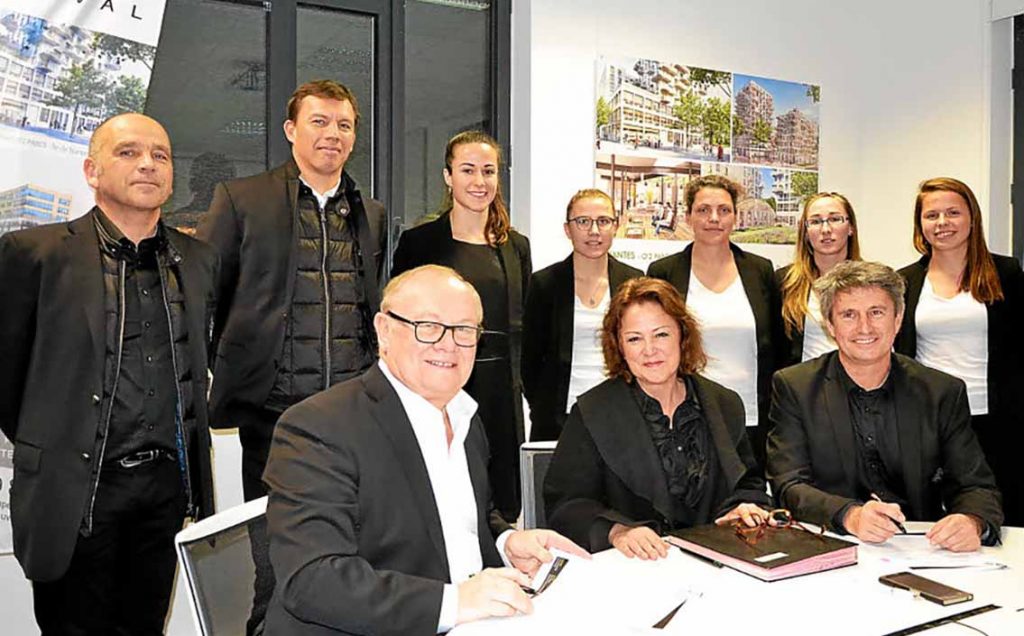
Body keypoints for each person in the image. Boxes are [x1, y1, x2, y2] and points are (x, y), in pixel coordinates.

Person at [262, 265, 587, 634]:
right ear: (384, 330)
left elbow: (460, 518)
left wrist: (506, 541)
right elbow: (312, 581)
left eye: (464, 330)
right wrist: (457, 602)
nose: (448, 344)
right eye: (428, 327)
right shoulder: (320, 427)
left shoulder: (465, 416)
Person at [0, 113, 218, 633]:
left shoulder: (198, 259)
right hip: (77, 491)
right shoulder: (34, 254)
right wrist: (52, 441)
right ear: (91, 170)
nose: (148, 164)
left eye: (160, 155)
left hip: (165, 491)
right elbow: (7, 380)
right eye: (128, 152)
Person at [196, 79, 386, 632]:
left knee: (357, 551)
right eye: (319, 122)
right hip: (274, 415)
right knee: (276, 563)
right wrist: (229, 362)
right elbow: (206, 293)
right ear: (290, 130)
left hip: (356, 416)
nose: (333, 134)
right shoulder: (241, 200)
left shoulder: (368, 212)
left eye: (344, 125)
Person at [767, 261, 1003, 551]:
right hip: (829, 544)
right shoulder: (795, 387)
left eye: (876, 312)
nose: (864, 327)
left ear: (898, 318)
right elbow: (788, 486)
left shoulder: (941, 392)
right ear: (830, 324)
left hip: (922, 549)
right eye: (848, 315)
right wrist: (849, 515)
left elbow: (976, 485)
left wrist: (972, 520)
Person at [544, 277, 772, 560]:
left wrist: (743, 507)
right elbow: (565, 505)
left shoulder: (725, 404)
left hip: (719, 565)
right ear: (619, 346)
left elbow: (748, 483)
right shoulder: (592, 411)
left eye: (661, 334)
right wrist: (617, 532)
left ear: (682, 334)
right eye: (634, 339)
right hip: (635, 571)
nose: (649, 350)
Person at [392, 130, 530, 522]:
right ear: (447, 176)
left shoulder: (516, 247)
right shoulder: (419, 243)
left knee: (500, 505)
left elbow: (524, 329)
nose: (479, 181)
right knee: (441, 504)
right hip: (438, 389)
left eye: (489, 171)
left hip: (500, 396)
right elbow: (400, 326)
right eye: (467, 170)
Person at [894, 177, 1024, 527]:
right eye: (931, 215)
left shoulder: (1006, 273)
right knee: (932, 519)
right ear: (920, 223)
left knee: (1000, 515)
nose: (942, 223)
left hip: (994, 417)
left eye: (953, 213)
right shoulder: (905, 280)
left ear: (972, 218)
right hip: (927, 419)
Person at [647, 174, 782, 470]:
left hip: (750, 415)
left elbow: (777, 344)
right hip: (685, 412)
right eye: (703, 210)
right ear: (688, 216)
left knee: (749, 504)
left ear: (735, 216)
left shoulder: (760, 271)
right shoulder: (664, 272)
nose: (714, 219)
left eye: (723, 210)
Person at [522, 189, 642, 441]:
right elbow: (529, 360)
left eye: (603, 221)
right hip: (560, 419)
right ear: (568, 229)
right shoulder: (545, 284)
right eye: (583, 222)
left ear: (615, 226)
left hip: (622, 415)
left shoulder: (634, 281)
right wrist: (542, 405)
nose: (594, 231)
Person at [776, 192, 861, 367]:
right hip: (804, 389)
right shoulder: (785, 282)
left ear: (851, 227)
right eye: (815, 222)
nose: (826, 229)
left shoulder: (870, 282)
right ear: (805, 232)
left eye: (835, 219)